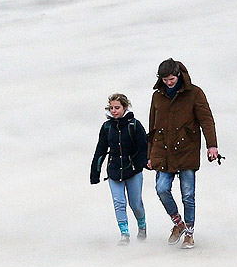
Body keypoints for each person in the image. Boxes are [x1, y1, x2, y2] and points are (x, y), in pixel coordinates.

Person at [147, 59, 219, 249]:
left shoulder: (194, 93)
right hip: (163, 151)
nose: (168, 83)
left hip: (187, 149)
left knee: (188, 194)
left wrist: (212, 146)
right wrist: (150, 155)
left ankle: (189, 233)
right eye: (165, 79)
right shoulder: (157, 97)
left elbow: (206, 120)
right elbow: (152, 126)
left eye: (171, 79)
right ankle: (178, 224)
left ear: (179, 75)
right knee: (162, 189)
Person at [91, 93, 148, 245]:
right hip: (114, 170)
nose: (114, 111)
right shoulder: (107, 127)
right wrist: (95, 173)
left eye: (117, 107)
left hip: (133, 170)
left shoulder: (134, 125)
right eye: (111, 108)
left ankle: (142, 225)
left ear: (125, 107)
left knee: (135, 203)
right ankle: (124, 234)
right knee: (119, 202)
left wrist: (143, 163)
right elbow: (101, 150)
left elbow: (144, 147)